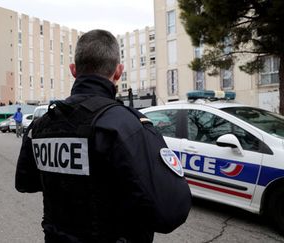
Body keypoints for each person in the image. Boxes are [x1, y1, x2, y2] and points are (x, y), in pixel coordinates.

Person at [15, 29, 191, 242]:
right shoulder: (126, 125)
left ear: (73, 70)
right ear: (118, 72)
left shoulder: (41, 125)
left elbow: (26, 182)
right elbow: (170, 210)